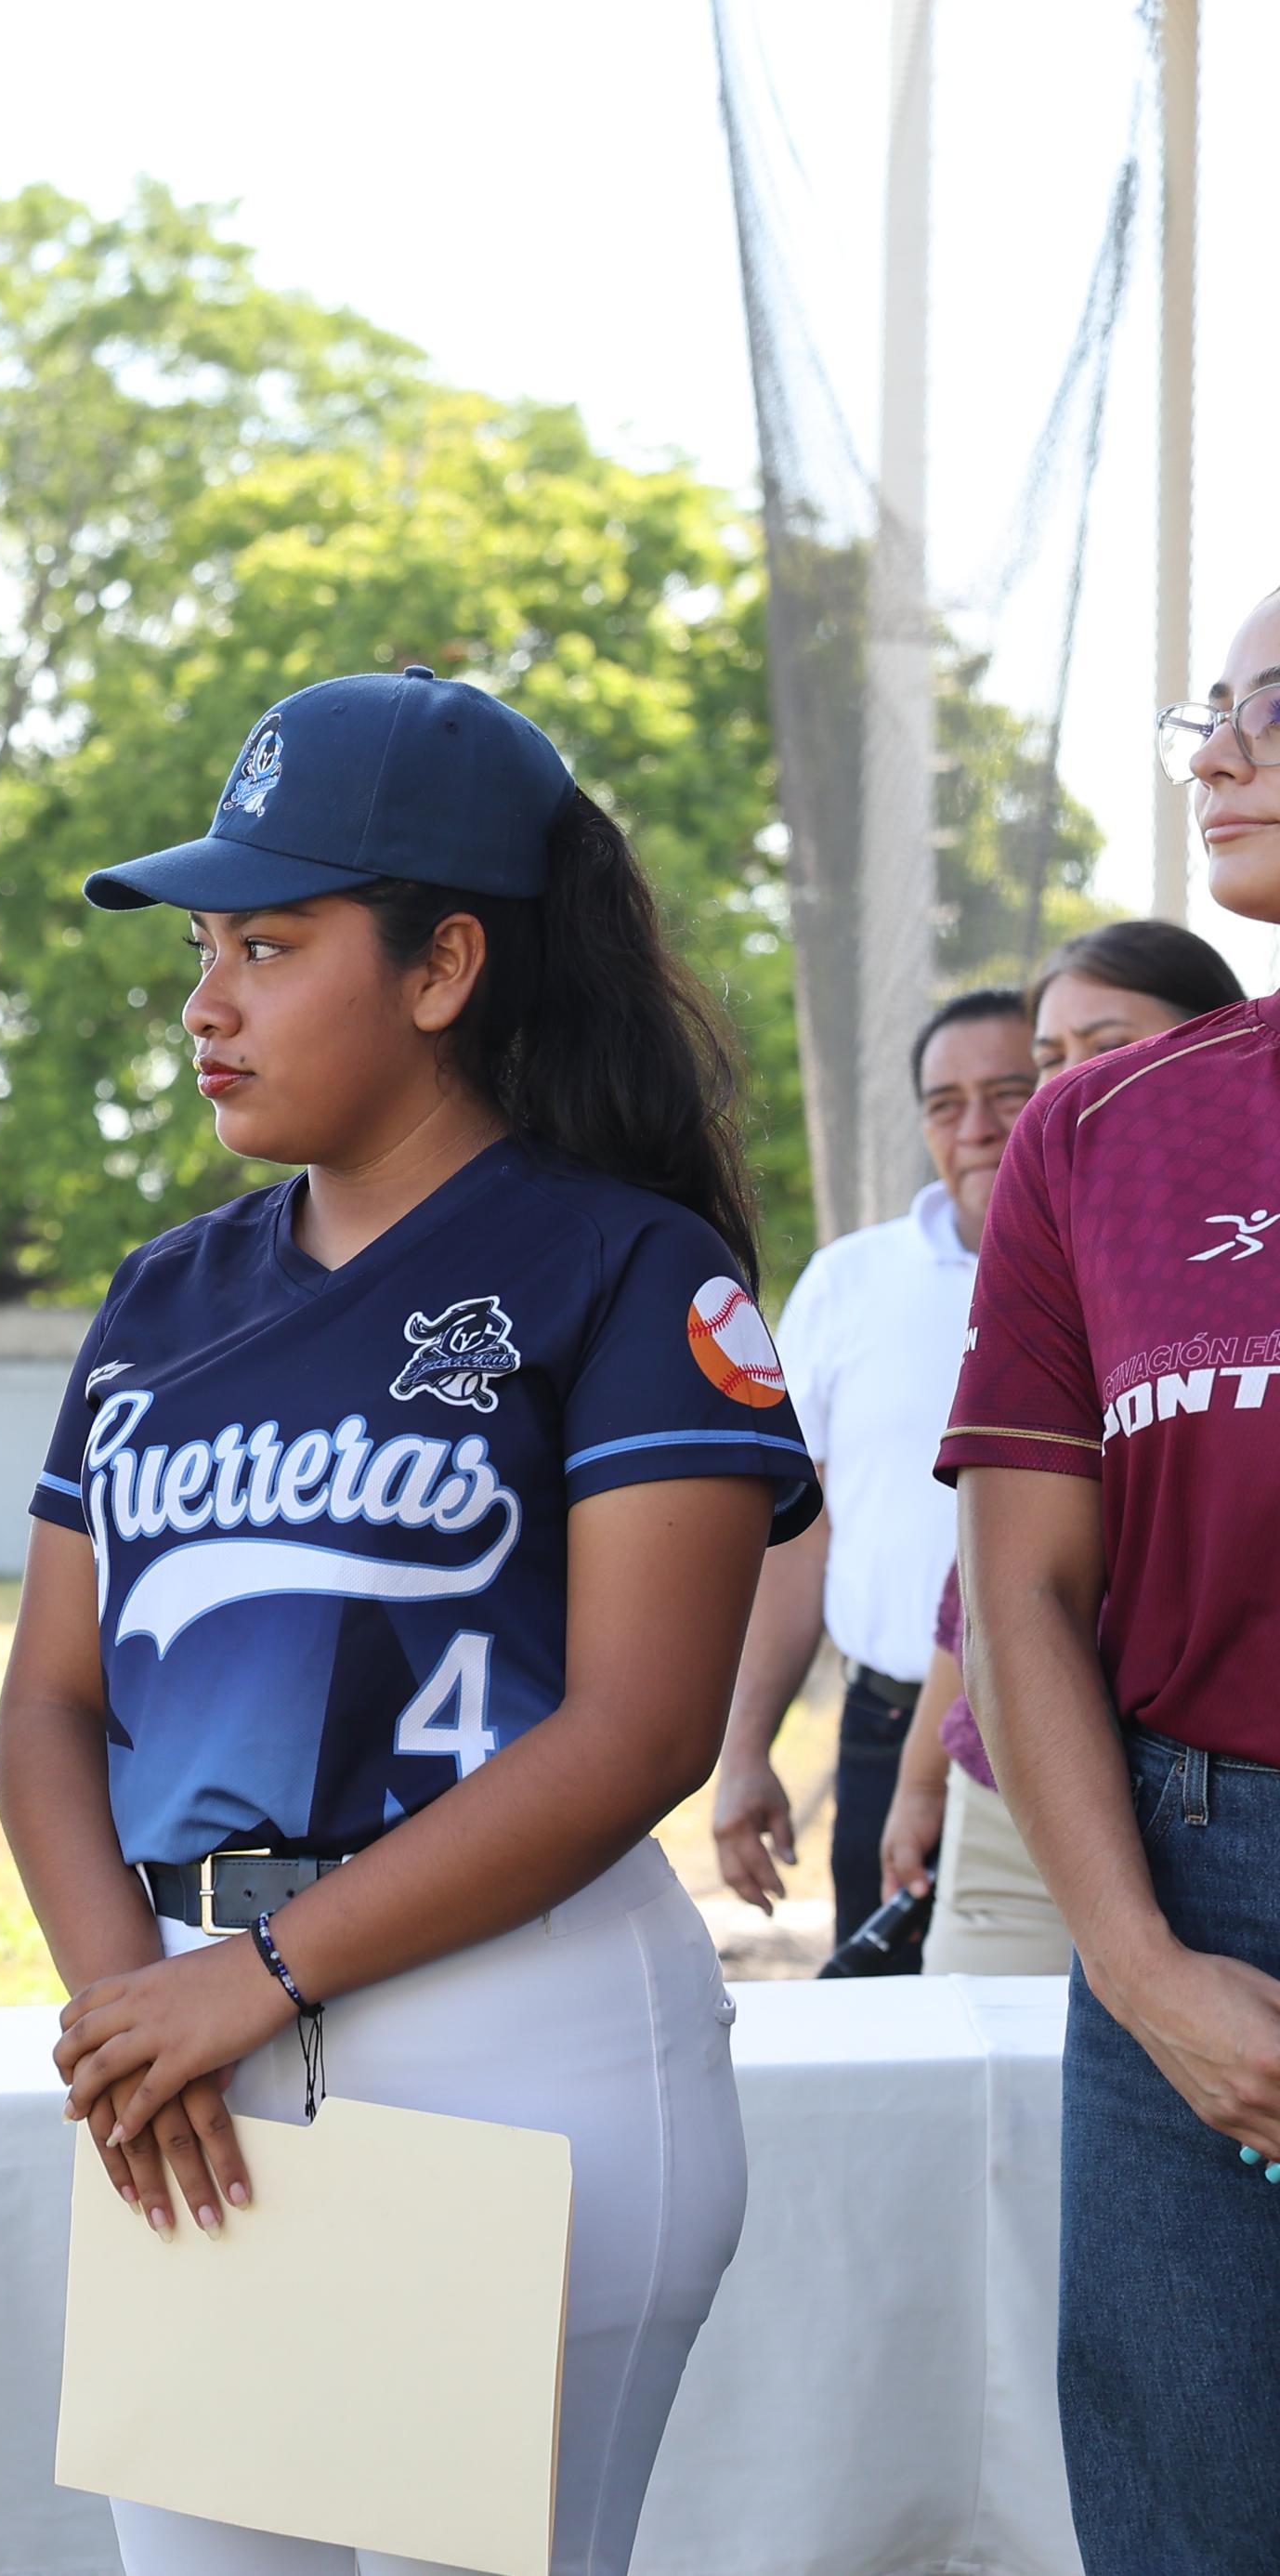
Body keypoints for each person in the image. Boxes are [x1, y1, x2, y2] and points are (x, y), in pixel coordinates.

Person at [0, 669, 818, 2575]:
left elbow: (638, 1727)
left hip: (508, 2031)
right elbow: (47, 1704)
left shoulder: (630, 1266)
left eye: (269, 944)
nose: (205, 1003)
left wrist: (261, 1978)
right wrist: (133, 2007)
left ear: (445, 964)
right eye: (203, 948)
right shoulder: (160, 1298)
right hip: (191, 2042)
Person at [942, 593, 1280, 2570]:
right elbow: (1023, 1591)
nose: (1217, 755)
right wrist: (1142, 1969)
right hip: (1189, 1887)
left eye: (1273, 710)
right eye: (1208, 713)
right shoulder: (1094, 1131)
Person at [880, 919, 1245, 1973]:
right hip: (1015, 1795)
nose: (1071, 1083)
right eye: (1049, 1056)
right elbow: (994, 1577)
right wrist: (922, 1776)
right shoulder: (1053, 1244)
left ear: (1226, 1041)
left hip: (1223, 1798)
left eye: (1108, 1046)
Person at [709, 989, 1033, 1958]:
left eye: (1009, 1092)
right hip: (884, 1728)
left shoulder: (1119, 1275)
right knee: (886, 2022)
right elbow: (800, 1537)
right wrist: (744, 1750)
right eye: (944, 1104)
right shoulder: (847, 1282)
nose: (975, 1128)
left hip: (1072, 1741)